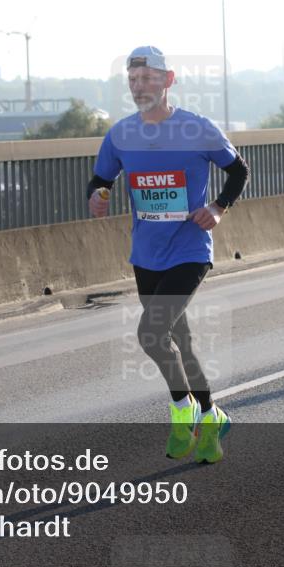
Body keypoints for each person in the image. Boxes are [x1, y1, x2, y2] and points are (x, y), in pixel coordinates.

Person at [87, 46, 249, 464]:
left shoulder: (197, 129)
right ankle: (212, 416)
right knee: (182, 342)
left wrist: (217, 207)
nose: (139, 87)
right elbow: (101, 179)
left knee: (150, 334)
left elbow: (238, 170)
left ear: (168, 80)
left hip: (190, 249)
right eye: (133, 80)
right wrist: (98, 197)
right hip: (146, 253)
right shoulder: (121, 134)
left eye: (147, 79)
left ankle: (183, 409)